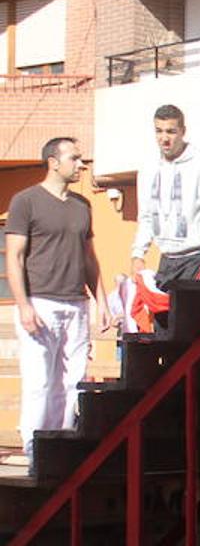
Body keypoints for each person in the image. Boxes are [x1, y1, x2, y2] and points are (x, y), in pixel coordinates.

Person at [5, 137, 110, 465]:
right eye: (74, 158)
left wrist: (102, 302)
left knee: (72, 380)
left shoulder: (82, 205)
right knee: (40, 379)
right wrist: (23, 305)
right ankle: (34, 447)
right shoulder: (26, 201)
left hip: (76, 303)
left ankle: (61, 445)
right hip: (40, 302)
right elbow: (14, 256)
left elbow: (89, 257)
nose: (81, 164)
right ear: (53, 161)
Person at [130, 106, 200, 327]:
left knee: (198, 333)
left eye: (171, 131)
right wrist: (138, 254)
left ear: (182, 131)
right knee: (164, 331)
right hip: (167, 261)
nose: (164, 138)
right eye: (159, 131)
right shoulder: (149, 168)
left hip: (198, 259)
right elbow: (147, 217)